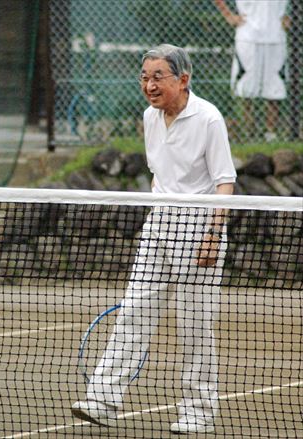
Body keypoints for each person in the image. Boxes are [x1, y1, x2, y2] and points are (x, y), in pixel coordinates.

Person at [71, 44, 237, 434]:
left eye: (157, 76)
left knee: (194, 325)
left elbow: (225, 180)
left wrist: (213, 233)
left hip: (199, 229)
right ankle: (103, 399)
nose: (149, 85)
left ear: (183, 79)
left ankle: (198, 411)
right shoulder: (149, 116)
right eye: (144, 77)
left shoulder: (209, 118)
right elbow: (159, 174)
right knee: (133, 312)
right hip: (158, 225)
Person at [215, 0, 290, 142]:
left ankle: (271, 135)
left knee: (275, 87)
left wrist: (291, 16)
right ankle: (247, 133)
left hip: (277, 36)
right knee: (246, 88)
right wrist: (229, 15)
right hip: (247, 37)